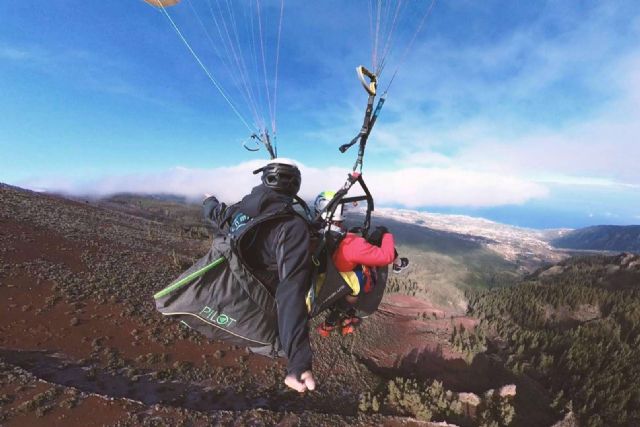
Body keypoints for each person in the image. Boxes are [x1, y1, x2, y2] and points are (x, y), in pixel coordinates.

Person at [203, 158, 315, 393]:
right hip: (262, 303)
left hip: (232, 293)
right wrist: (298, 361)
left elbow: (218, 216)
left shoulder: (241, 210)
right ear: (295, 186)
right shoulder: (291, 226)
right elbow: (291, 291)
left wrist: (208, 201)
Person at [313, 191, 409, 336]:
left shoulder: (312, 235)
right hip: (343, 285)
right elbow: (386, 256)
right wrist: (386, 233)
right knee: (376, 246)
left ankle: (330, 324)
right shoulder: (351, 244)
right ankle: (398, 264)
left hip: (321, 283)